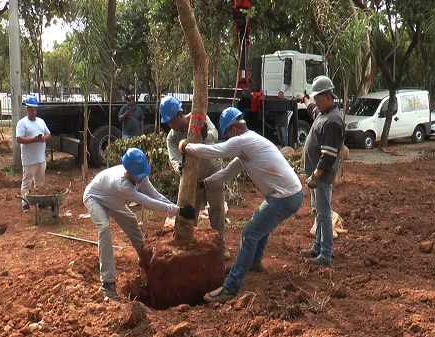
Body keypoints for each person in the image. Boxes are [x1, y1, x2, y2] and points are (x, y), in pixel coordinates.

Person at [178, 107, 303, 304]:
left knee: (249, 233)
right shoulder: (248, 146)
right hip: (291, 194)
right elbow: (227, 172)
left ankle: (231, 287)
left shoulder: (244, 141)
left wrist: (187, 147)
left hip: (284, 196)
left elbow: (214, 150)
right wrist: (204, 184)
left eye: (227, 134)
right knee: (261, 226)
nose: (228, 139)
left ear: (233, 130)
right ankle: (254, 262)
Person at [83, 147, 195, 301]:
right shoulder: (121, 184)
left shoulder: (140, 174)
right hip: (95, 197)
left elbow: (155, 195)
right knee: (104, 228)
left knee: (132, 221)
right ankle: (108, 283)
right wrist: (179, 211)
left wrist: (177, 209)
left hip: (114, 201)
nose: (142, 179)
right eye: (138, 176)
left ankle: (145, 260)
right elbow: (148, 202)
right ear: (128, 172)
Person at [160, 96, 230, 260]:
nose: (170, 125)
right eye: (167, 122)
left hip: (212, 167)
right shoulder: (172, 137)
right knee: (190, 211)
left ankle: (220, 245)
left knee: (217, 208)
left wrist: (205, 133)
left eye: (172, 121)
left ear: (180, 114)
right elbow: (174, 158)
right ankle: (187, 244)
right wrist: (179, 168)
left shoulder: (199, 118)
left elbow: (214, 134)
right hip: (192, 176)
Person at [297, 75, 344, 267]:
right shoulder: (323, 115)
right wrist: (304, 99)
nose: (315, 102)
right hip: (316, 176)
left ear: (328, 97)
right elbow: (312, 110)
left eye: (318, 98)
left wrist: (316, 175)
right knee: (318, 212)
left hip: (321, 176)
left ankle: (325, 255)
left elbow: (329, 155)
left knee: (324, 213)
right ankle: (317, 248)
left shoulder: (332, 121)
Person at [16, 96, 51, 212]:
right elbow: (19, 139)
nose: (34, 112)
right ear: (27, 109)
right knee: (27, 181)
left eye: (35, 110)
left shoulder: (41, 121)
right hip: (29, 159)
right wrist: (33, 140)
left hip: (41, 158)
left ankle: (40, 202)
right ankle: (25, 202)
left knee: (40, 182)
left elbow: (48, 134)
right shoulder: (22, 123)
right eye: (31, 110)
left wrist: (43, 139)